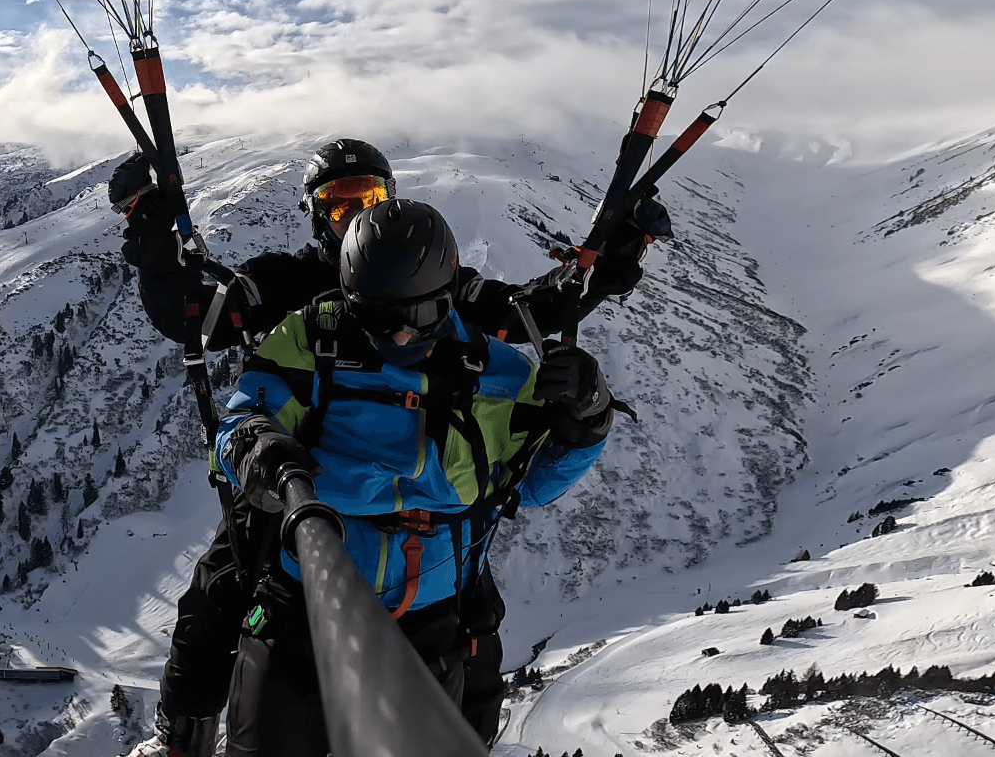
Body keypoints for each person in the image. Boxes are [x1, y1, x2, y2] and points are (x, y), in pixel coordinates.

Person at [110, 138, 667, 754]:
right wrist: (154, 236)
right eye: (336, 201)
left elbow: (530, 312)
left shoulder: (427, 277)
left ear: (388, 200)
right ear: (315, 211)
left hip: (413, 510)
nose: (351, 213)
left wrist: (617, 258)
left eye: (366, 198)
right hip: (295, 465)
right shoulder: (289, 282)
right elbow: (198, 316)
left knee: (470, 616)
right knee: (218, 591)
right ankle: (183, 728)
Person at [216, 198, 617, 757]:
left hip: (430, 624)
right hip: (304, 607)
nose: (402, 338)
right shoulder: (310, 343)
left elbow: (533, 482)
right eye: (381, 319)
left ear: (450, 296)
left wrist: (588, 419)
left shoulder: (499, 375)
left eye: (422, 316)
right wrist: (258, 448)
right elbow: (243, 416)